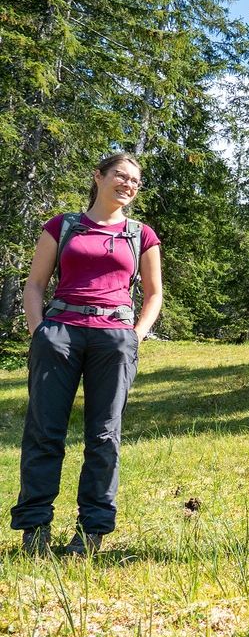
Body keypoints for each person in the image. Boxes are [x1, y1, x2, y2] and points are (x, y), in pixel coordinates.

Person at [12, 152, 163, 557]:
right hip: (59, 335)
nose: (128, 184)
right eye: (120, 175)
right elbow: (35, 285)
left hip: (114, 338)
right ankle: (35, 528)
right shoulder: (62, 226)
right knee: (44, 431)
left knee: (104, 436)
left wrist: (135, 336)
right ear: (98, 176)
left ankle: (91, 530)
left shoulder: (141, 234)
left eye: (135, 181)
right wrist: (40, 332)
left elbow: (154, 294)